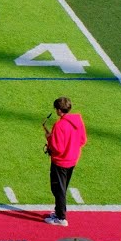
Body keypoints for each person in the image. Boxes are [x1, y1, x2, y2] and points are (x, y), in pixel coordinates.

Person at [43, 96, 87, 227]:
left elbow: (57, 148)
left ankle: (61, 217)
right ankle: (58, 212)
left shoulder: (59, 125)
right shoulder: (78, 121)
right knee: (62, 188)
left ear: (58, 110)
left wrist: (49, 138)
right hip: (72, 159)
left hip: (60, 162)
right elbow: (83, 140)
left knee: (58, 190)